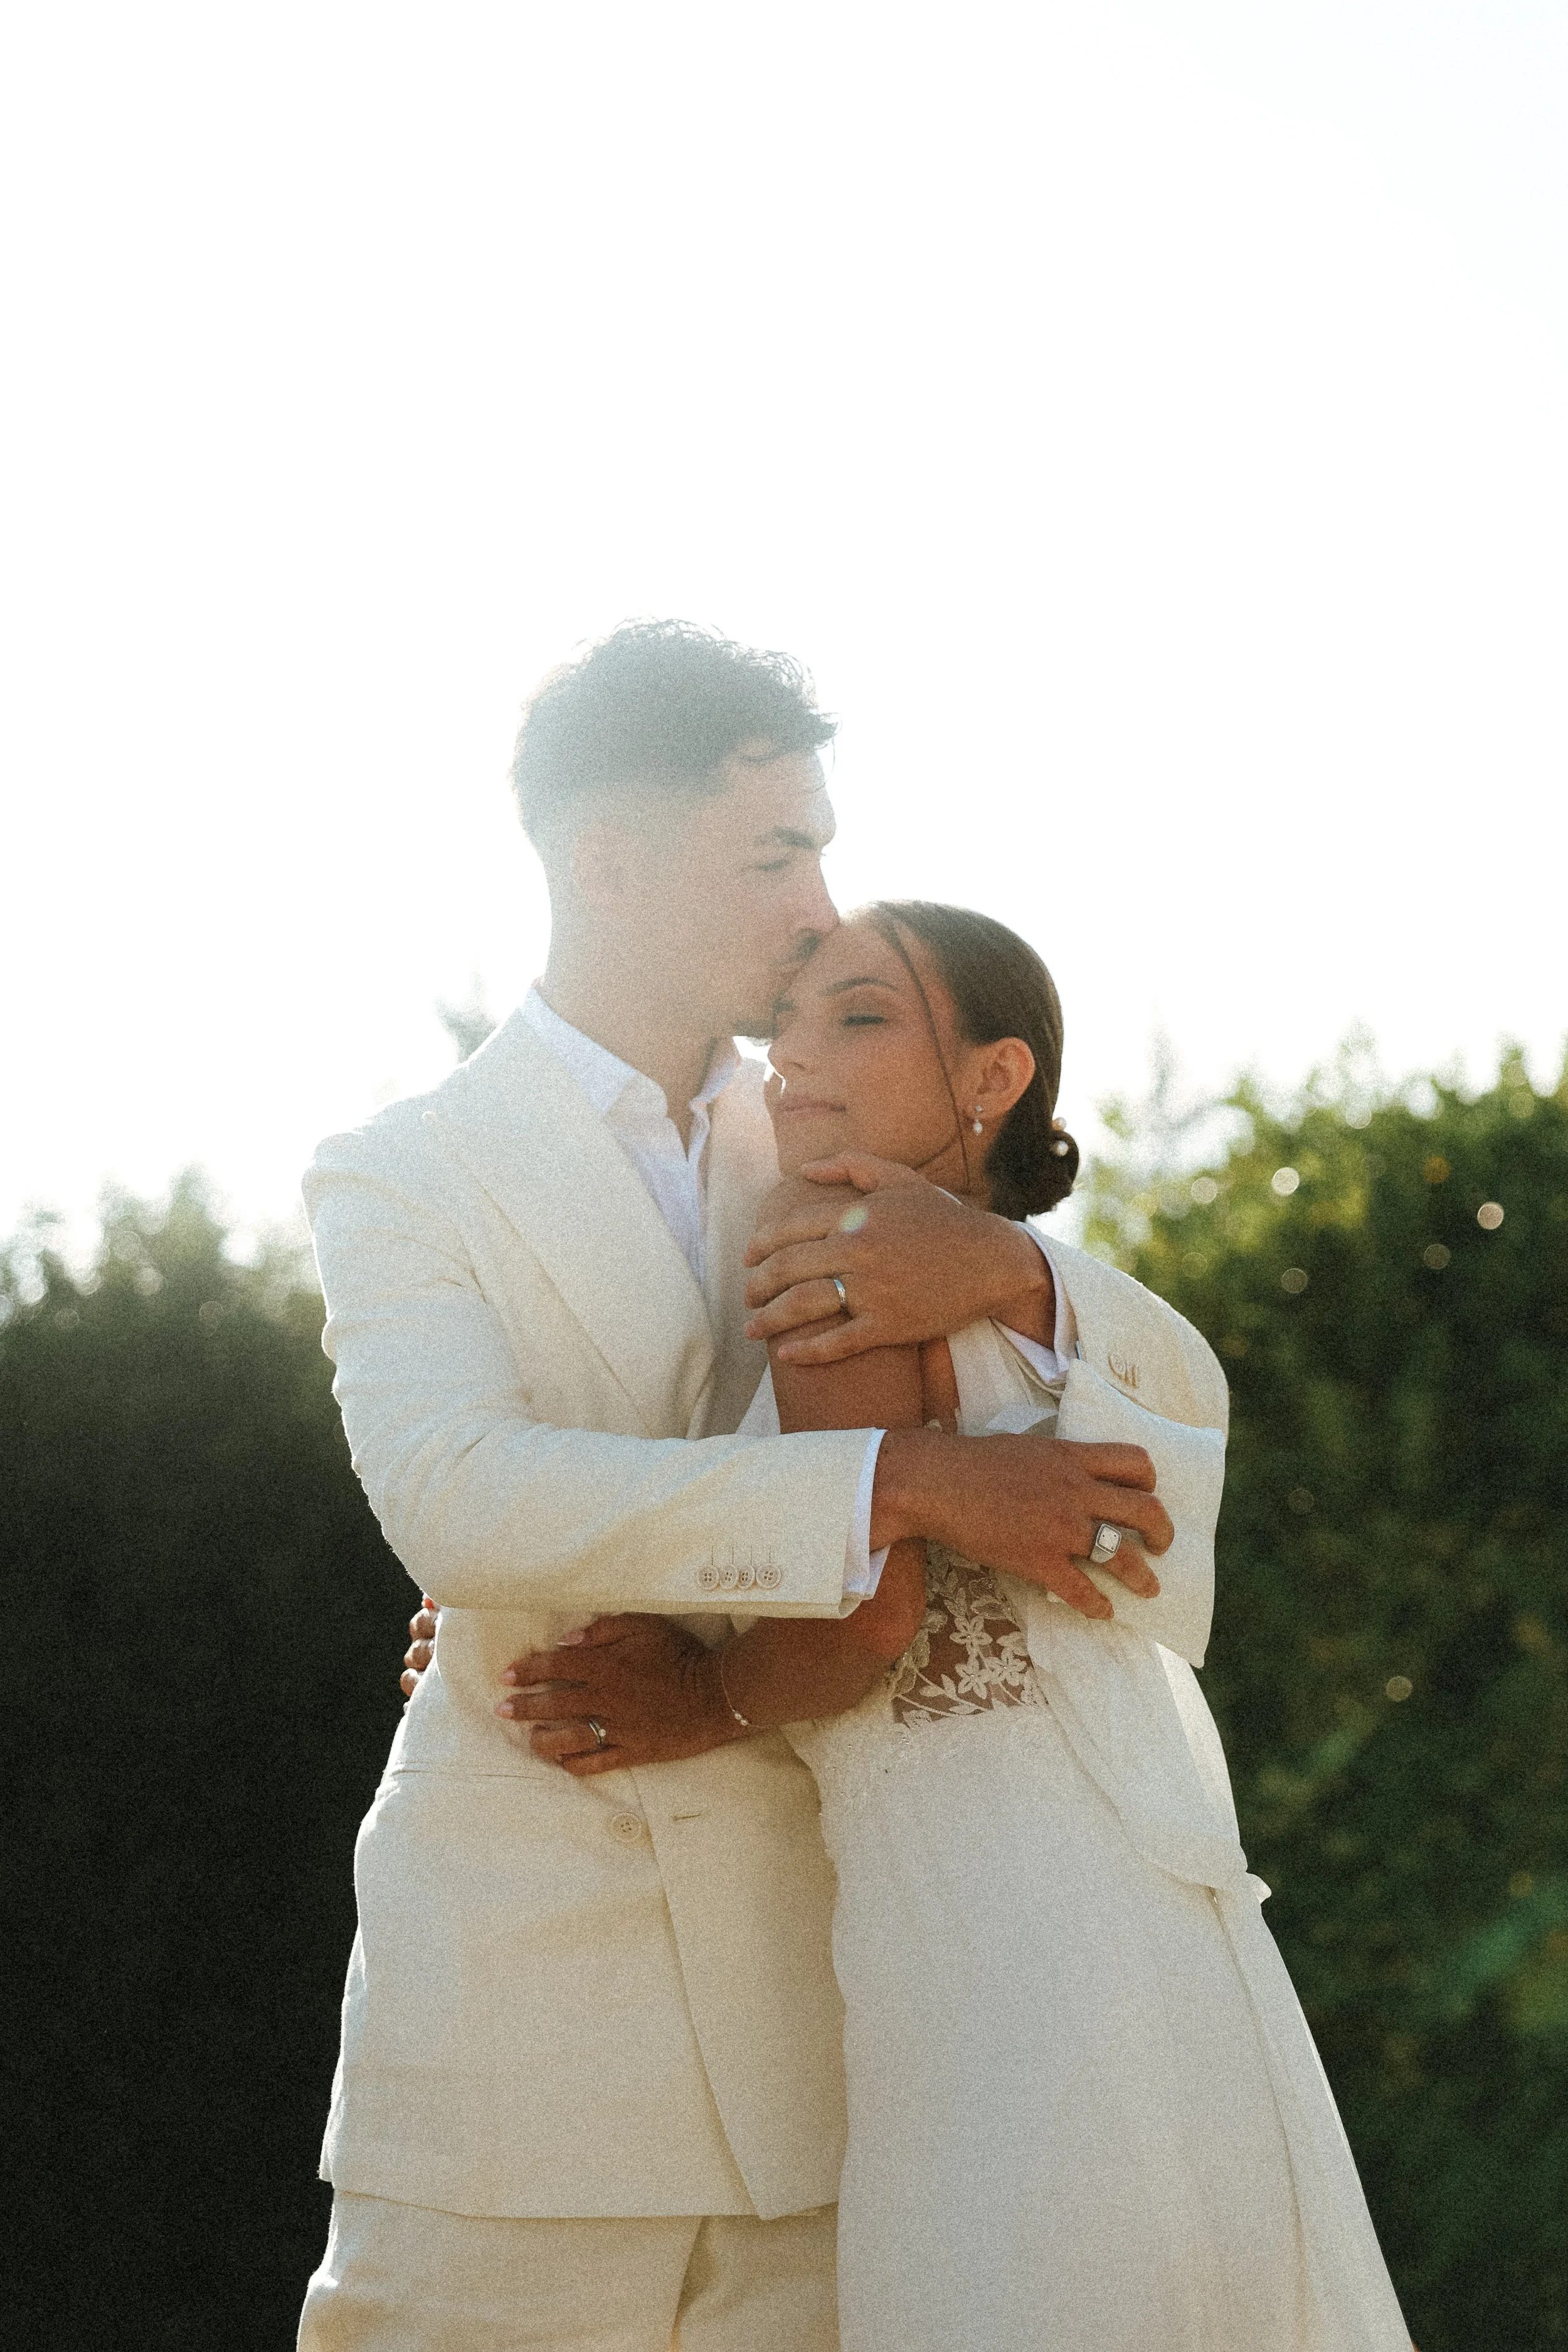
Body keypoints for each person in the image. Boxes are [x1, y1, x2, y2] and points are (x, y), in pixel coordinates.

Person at [296, 622, 1173, 2352]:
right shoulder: (401, 1171)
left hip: (825, 2025)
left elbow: (1127, 1416)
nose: (817, 903)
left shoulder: (851, 1131)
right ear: (607, 862)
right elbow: (458, 1499)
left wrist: (1012, 1291)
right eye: (776, 853)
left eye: (820, 850)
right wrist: (899, 1481)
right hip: (523, 2038)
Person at [501, 901, 1414, 2352]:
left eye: (857, 1017)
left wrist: (704, 1697)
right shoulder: (996, 1275)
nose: (795, 1059)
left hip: (993, 1928)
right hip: (1149, 1889)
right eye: (785, 1022)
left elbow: (864, 1628)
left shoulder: (828, 1240)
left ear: (991, 1079)